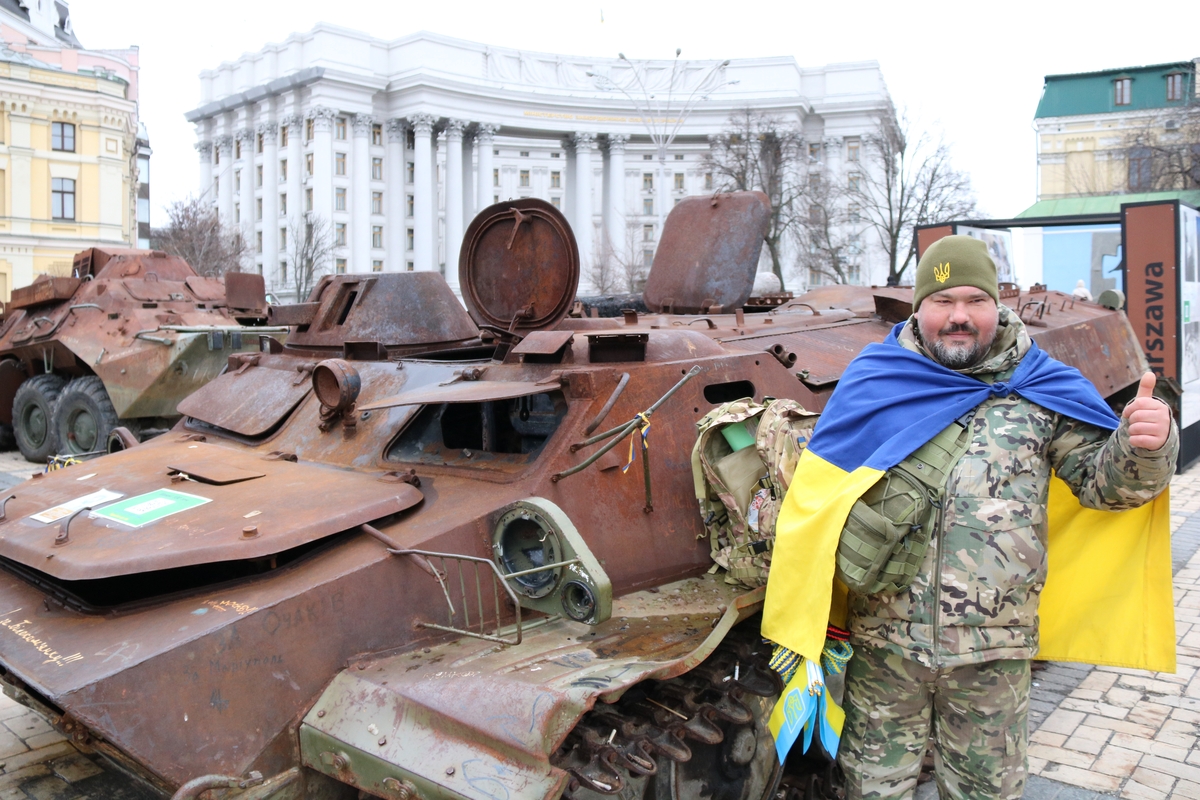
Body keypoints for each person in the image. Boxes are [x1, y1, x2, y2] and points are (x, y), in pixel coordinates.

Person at [763, 235, 1177, 800]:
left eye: (974, 300)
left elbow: (1106, 488)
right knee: (870, 791)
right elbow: (818, 498)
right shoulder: (876, 380)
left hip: (993, 656)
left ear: (996, 305)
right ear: (919, 307)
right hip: (885, 650)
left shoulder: (1039, 386)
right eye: (942, 301)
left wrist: (1144, 446)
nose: (959, 316)